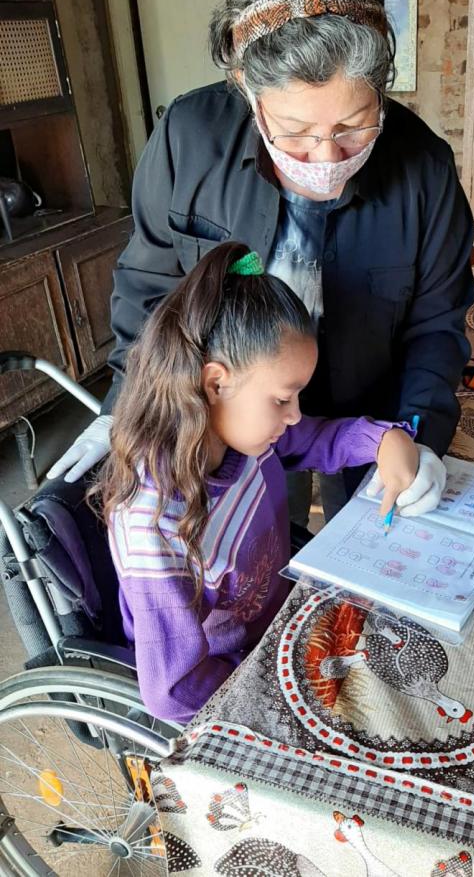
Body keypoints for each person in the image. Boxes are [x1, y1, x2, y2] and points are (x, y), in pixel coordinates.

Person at [50, 0, 474, 526]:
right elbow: (151, 287)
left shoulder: (424, 169)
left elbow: (436, 323)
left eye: (354, 127)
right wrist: (127, 405)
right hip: (234, 417)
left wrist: (420, 431)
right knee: (264, 543)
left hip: (372, 414)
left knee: (376, 539)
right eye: (297, 131)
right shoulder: (188, 140)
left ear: (383, 90)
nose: (326, 156)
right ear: (248, 90)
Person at [96, 242, 420, 723]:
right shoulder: (152, 523)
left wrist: (385, 438)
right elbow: (175, 689)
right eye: (282, 399)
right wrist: (273, 700)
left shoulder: (240, 435)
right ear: (215, 383)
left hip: (284, 626)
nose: (293, 416)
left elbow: (316, 438)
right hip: (241, 674)